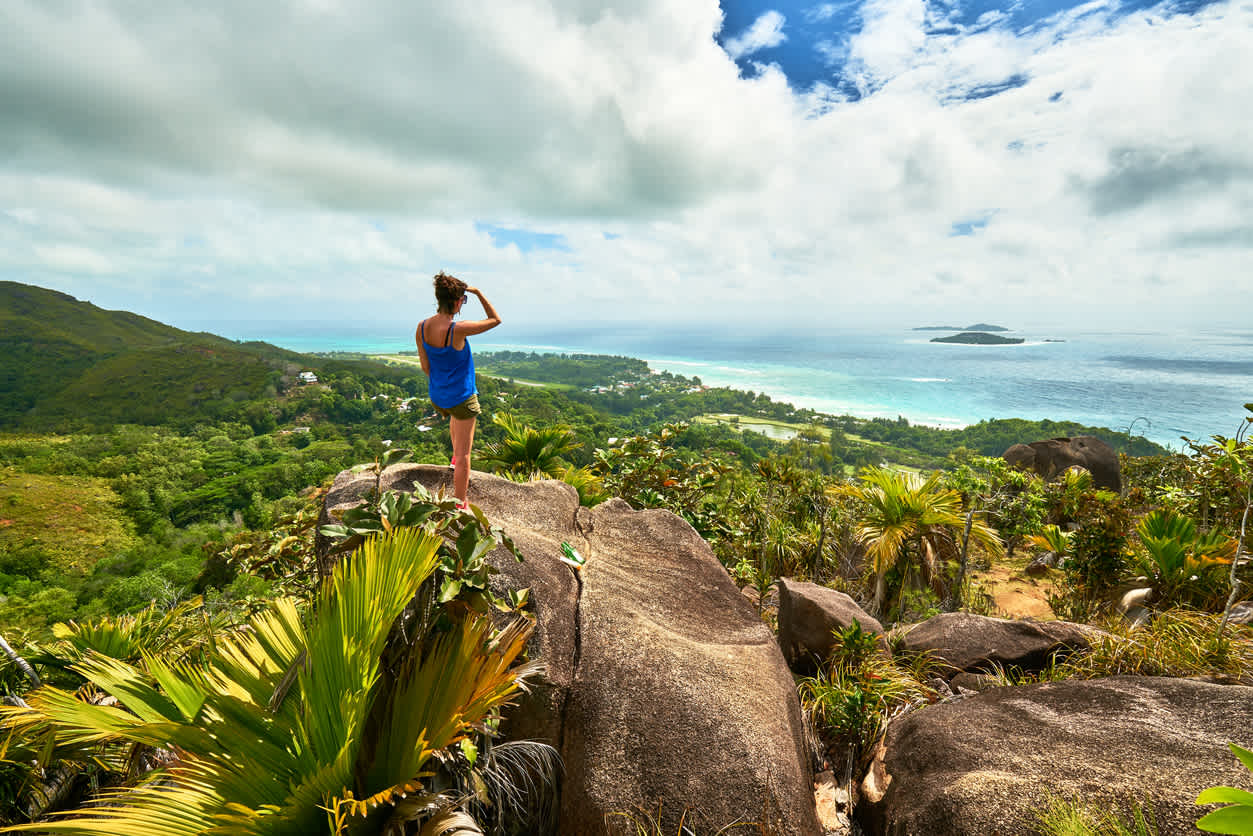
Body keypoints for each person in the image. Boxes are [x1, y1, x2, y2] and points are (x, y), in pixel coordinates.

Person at [416, 272, 501, 508]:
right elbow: (495, 320)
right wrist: (479, 293)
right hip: (461, 397)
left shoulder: (422, 328)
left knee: (455, 415)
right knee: (465, 456)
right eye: (463, 300)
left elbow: (425, 366)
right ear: (457, 301)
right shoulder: (458, 329)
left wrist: (444, 383)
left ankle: (453, 459)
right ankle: (460, 502)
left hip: (438, 396)